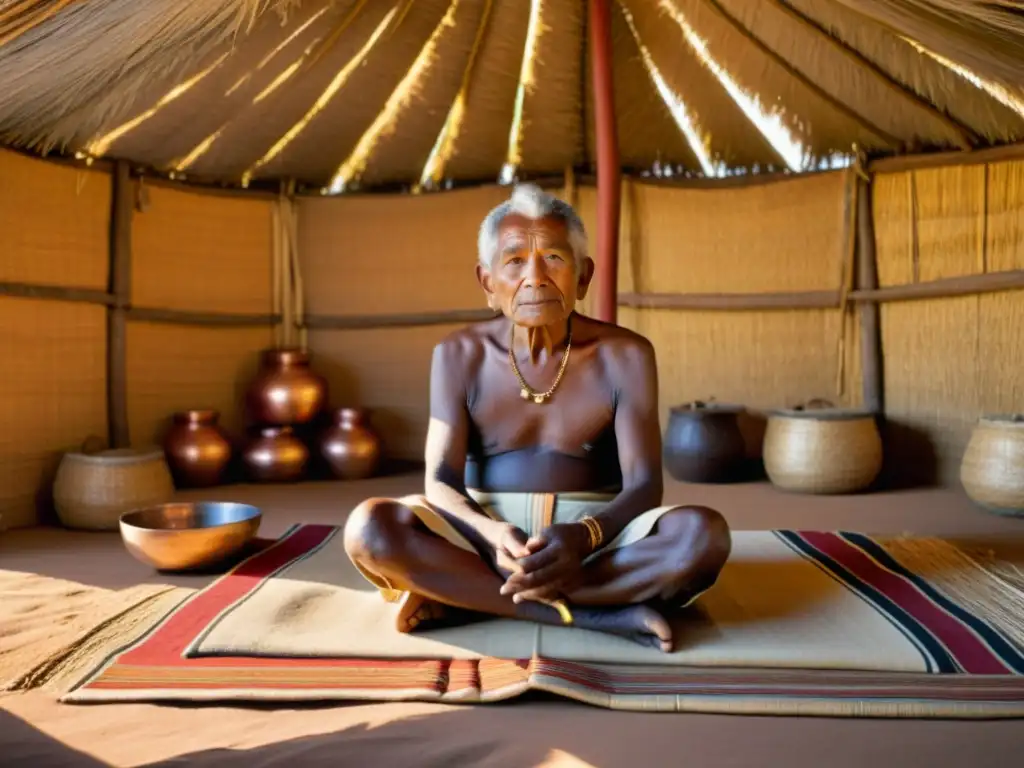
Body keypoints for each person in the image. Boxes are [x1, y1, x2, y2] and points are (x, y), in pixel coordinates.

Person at [343, 183, 732, 651]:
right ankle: (592, 616)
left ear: (582, 277)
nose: (534, 278)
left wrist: (584, 537)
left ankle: (466, 596)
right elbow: (441, 480)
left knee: (702, 537)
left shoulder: (625, 355)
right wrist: (490, 536)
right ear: (488, 282)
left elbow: (645, 484)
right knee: (369, 529)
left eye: (553, 258)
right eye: (513, 262)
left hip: (596, 543)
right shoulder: (458, 355)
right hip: (482, 543)